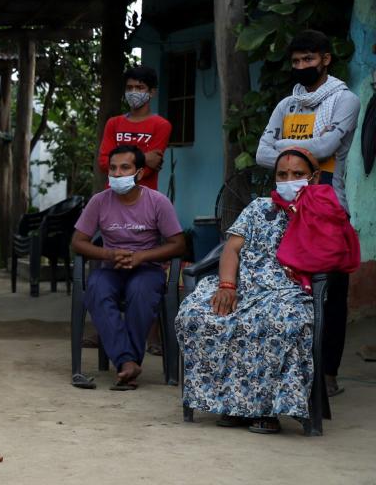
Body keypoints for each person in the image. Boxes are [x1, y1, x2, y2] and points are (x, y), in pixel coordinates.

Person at [176, 148, 356, 434]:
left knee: (279, 321)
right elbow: (231, 249)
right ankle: (230, 404)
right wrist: (227, 285)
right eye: (282, 175)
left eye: (298, 174)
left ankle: (268, 411)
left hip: (289, 290)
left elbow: (331, 254)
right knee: (197, 313)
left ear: (315, 176)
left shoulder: (323, 211)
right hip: (244, 284)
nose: (289, 180)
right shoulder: (259, 207)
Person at [255, 29, 361, 397]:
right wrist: (304, 149)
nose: (302, 67)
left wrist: (283, 148)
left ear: (326, 59)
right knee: (284, 287)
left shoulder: (345, 100)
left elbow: (329, 145)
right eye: (296, 61)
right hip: (286, 207)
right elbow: (261, 154)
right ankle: (288, 369)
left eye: (309, 60)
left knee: (330, 295)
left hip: (329, 206)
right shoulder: (287, 106)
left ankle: (328, 373)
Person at [71, 145, 185, 389]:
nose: (117, 174)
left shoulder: (157, 202)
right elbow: (78, 242)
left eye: (125, 168)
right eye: (113, 168)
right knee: (96, 288)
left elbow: (178, 245)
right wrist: (108, 254)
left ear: (139, 173)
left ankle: (126, 362)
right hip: (111, 269)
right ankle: (128, 362)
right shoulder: (99, 202)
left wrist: (142, 257)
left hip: (147, 269)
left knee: (140, 292)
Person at [98, 65, 172, 191]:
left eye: (140, 87)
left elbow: (148, 169)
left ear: (152, 92)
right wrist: (143, 158)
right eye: (129, 88)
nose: (133, 92)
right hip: (112, 197)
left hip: (144, 199)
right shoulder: (113, 123)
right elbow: (103, 163)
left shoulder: (162, 125)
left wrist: (117, 163)